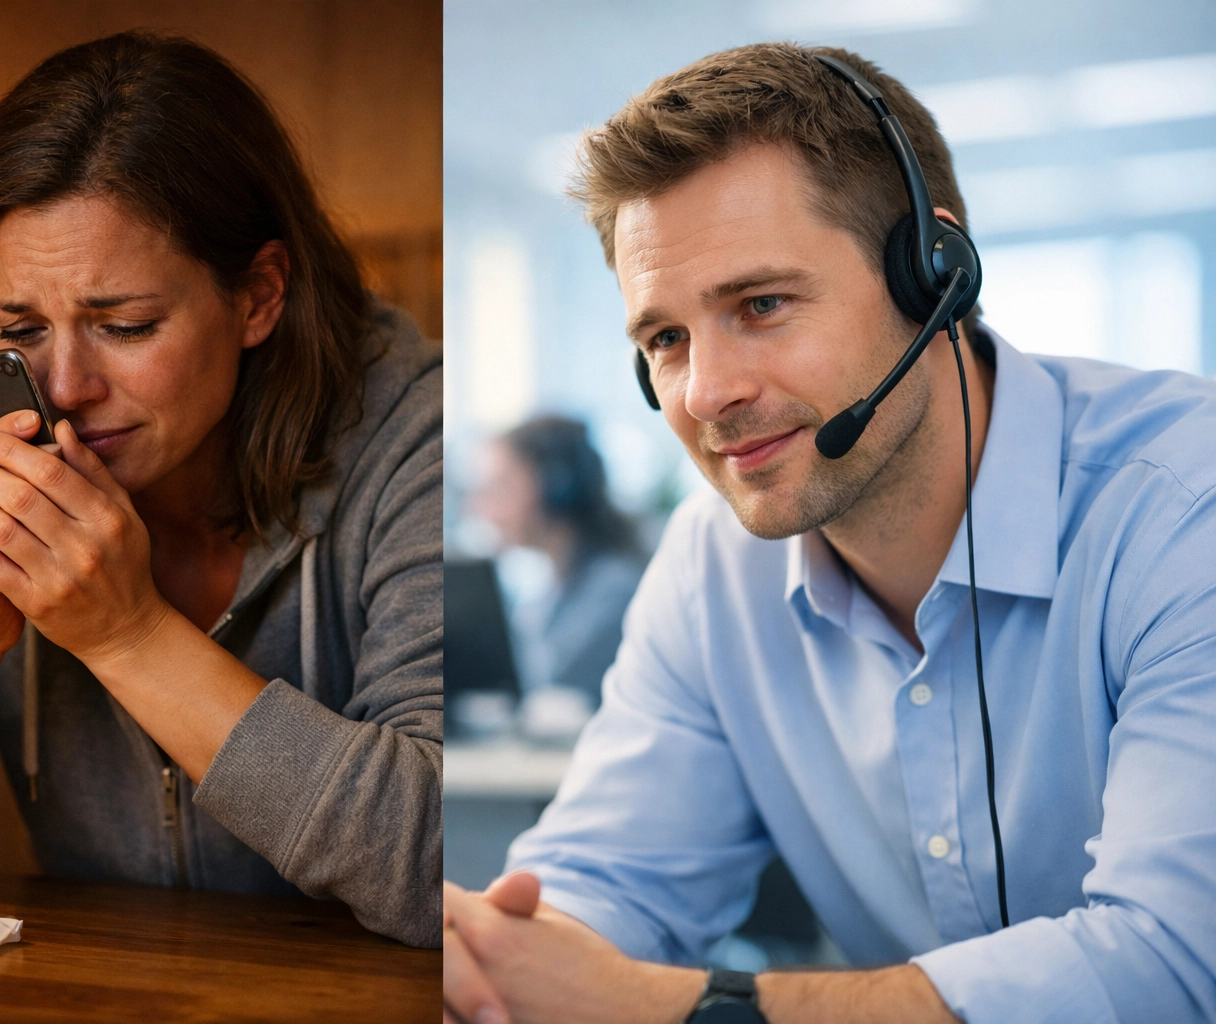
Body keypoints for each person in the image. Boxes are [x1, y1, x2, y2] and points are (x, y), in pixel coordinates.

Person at [444, 42, 1216, 1023]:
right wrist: (496, 960)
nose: (706, 392)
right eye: (666, 339)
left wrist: (690, 1008)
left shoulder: (1186, 505)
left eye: (760, 305)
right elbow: (613, 881)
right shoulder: (710, 570)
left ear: (933, 275)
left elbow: (1179, 965)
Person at [0, 32, 442, 948]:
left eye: (124, 325)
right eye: (19, 327)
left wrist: (128, 634)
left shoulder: (419, 435)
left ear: (259, 296)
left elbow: (445, 861)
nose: (64, 387)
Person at [471, 416, 644, 707]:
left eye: (501, 486)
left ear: (558, 484)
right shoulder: (547, 591)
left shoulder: (615, 589)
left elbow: (536, 688)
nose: (481, 507)